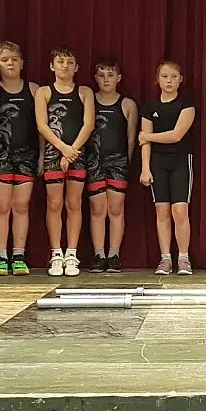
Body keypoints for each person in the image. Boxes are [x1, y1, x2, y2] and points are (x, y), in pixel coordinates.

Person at [35, 46, 96, 277]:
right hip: (54, 154)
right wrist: (62, 149)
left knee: (74, 203)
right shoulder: (44, 92)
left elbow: (89, 124)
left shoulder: (85, 92)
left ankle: (71, 253)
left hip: (77, 154)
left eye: (70, 62)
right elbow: (42, 125)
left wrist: (72, 151)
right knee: (54, 204)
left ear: (77, 67)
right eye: (60, 62)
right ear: (52, 66)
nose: (65, 66)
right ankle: (56, 253)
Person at [0, 41, 41, 276]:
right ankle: (0, 256)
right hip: (1, 156)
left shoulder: (34, 90)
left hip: (27, 156)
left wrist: (41, 156)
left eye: (15, 59)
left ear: (22, 63)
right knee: (2, 206)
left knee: (21, 206)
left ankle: (18, 255)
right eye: (5, 60)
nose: (10, 63)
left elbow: (41, 128)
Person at [139, 61, 197, 275]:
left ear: (180, 79)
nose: (169, 81)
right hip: (157, 162)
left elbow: (176, 135)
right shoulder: (149, 107)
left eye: (173, 76)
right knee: (161, 211)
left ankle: (183, 258)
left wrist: (148, 136)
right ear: (158, 79)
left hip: (181, 161)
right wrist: (145, 168)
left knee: (180, 210)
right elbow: (144, 143)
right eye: (164, 76)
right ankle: (165, 258)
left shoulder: (186, 105)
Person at [83, 59, 138, 273]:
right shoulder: (89, 101)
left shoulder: (127, 104)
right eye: (101, 75)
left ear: (119, 78)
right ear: (95, 78)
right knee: (97, 208)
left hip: (118, 162)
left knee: (116, 208)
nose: (106, 80)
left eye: (110, 75)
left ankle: (114, 254)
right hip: (94, 162)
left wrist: (127, 162)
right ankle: (99, 254)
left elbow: (131, 138)